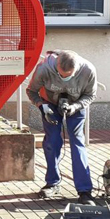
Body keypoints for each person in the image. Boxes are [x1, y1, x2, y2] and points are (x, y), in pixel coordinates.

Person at [26, 50, 97, 205]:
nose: (64, 78)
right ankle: (52, 183)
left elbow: (90, 95)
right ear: (56, 66)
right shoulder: (44, 68)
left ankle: (84, 190)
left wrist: (75, 106)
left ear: (76, 69)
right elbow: (31, 91)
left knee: (77, 143)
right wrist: (41, 106)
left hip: (76, 106)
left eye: (68, 75)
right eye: (60, 75)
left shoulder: (88, 70)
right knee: (52, 143)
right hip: (49, 105)